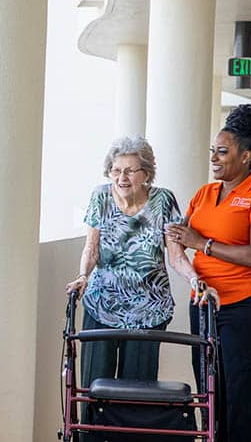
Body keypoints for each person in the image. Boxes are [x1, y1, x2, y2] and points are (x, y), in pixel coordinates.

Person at [66, 135, 216, 440]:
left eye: (130, 170)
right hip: (101, 306)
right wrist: (82, 276)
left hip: (148, 311)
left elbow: (175, 255)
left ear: (146, 173)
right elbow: (91, 249)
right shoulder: (100, 198)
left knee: (137, 393)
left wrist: (194, 279)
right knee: (93, 388)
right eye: (116, 170)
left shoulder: (163, 201)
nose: (122, 177)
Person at [165, 104, 251, 442]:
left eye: (222, 151)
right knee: (209, 384)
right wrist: (183, 256)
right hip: (204, 303)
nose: (213, 158)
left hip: (247, 304)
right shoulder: (204, 194)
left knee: (240, 387)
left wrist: (202, 244)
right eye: (212, 151)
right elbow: (179, 238)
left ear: (245, 157)